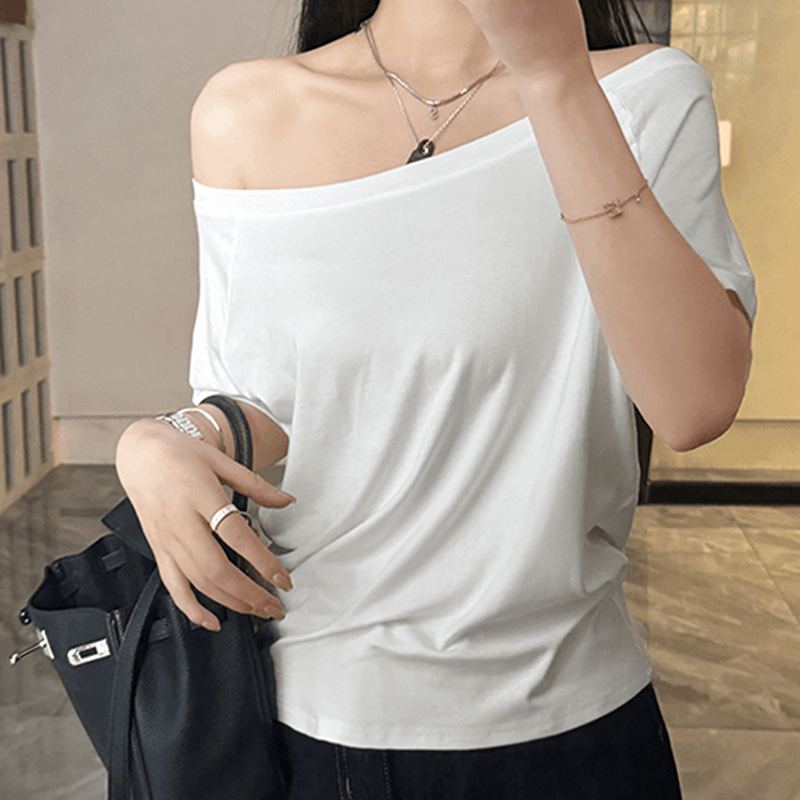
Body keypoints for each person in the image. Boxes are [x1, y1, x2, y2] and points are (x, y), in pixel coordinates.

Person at [115, 0, 757, 797]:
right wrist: (162, 440)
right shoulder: (246, 111)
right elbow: (266, 401)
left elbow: (694, 406)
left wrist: (553, 78)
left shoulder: (647, 93)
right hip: (326, 713)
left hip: (577, 712)